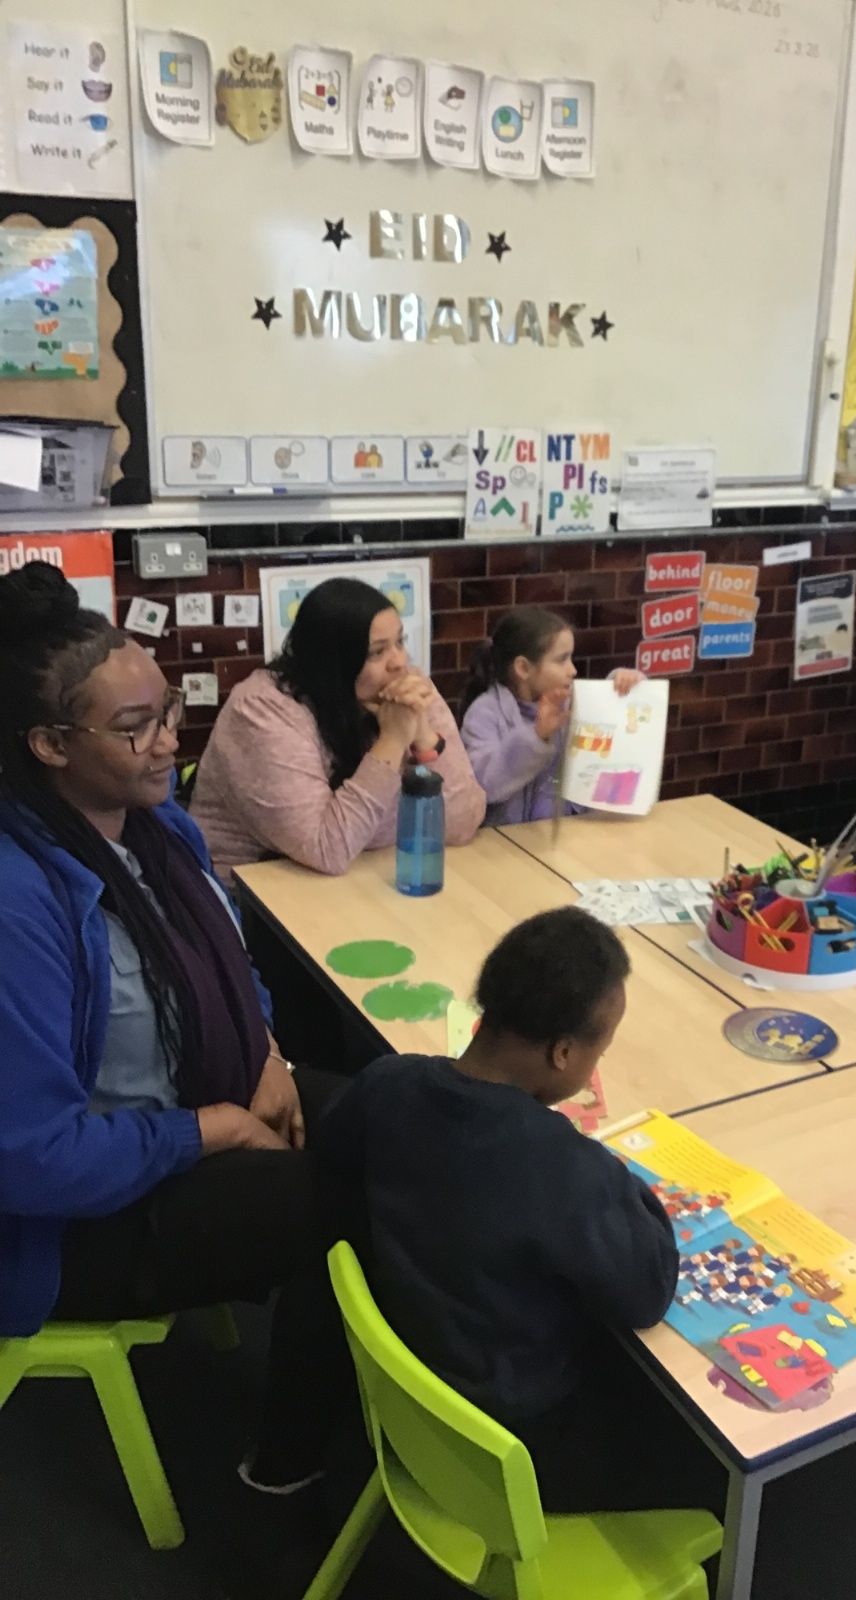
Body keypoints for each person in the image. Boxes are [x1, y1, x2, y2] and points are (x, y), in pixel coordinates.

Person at [0, 562, 347, 1490]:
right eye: (135, 727)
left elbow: (231, 968)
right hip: (77, 1221)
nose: (168, 743)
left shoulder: (160, 829)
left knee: (395, 1114)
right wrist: (211, 1131)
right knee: (354, 1205)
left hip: (194, 1107)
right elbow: (31, 1159)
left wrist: (266, 1050)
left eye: (167, 713)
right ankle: (290, 1457)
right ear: (49, 744)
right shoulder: (18, 901)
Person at [317, 907, 722, 1514]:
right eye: (599, 1050)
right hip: (508, 1450)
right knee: (710, 1458)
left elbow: (333, 1165)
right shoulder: (565, 1169)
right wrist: (619, 1182)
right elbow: (648, 1290)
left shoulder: (385, 1082)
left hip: (405, 1396)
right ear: (564, 1053)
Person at [191, 578, 484, 882]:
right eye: (376, 652)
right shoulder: (261, 710)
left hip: (365, 876)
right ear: (333, 661)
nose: (399, 662)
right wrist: (394, 740)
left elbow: (464, 823)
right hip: (255, 892)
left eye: (400, 642)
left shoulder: (409, 692)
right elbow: (327, 849)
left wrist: (423, 736)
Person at [458, 607, 642, 826]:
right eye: (561, 660)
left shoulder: (571, 704)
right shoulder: (485, 714)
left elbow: (617, 721)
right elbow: (484, 785)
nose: (572, 670)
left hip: (568, 834)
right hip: (504, 841)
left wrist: (625, 686)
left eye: (571, 658)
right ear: (523, 668)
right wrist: (537, 736)